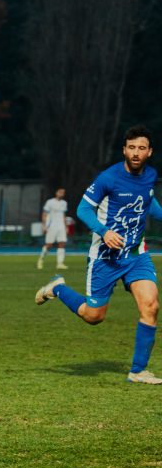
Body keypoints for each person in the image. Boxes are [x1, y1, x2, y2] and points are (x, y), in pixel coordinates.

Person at [36, 124, 162, 384]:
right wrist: (104, 232)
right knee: (94, 317)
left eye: (141, 148)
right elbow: (83, 210)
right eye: (131, 148)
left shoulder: (150, 176)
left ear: (149, 151)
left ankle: (138, 371)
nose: (136, 153)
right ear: (124, 150)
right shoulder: (109, 178)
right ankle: (58, 289)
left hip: (136, 255)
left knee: (151, 306)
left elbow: (149, 203)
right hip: (104, 258)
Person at [38, 187, 68, 270]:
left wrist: (66, 226)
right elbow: (44, 214)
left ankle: (60, 263)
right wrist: (44, 225)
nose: (61, 193)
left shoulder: (64, 203)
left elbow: (64, 215)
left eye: (63, 192)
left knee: (62, 243)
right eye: (60, 192)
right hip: (52, 226)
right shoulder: (50, 202)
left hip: (61, 226)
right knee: (49, 244)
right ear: (56, 192)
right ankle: (41, 260)